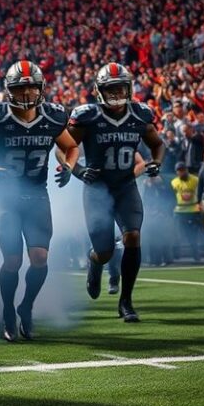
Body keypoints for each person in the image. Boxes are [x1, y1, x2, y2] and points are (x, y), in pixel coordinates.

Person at [0, 60, 79, 342]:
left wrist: (69, 166)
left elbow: (71, 146)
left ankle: (26, 306)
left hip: (37, 194)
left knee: (39, 258)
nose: (26, 93)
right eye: (19, 88)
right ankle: (7, 312)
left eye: (31, 87)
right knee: (12, 260)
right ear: (9, 90)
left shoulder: (51, 116)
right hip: (5, 197)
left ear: (41, 88)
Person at [66, 63, 165, 323]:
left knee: (133, 236)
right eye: (111, 88)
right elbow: (63, 147)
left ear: (129, 87)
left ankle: (126, 301)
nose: (116, 93)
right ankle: (94, 261)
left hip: (125, 187)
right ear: (100, 90)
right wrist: (77, 170)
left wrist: (156, 162)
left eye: (120, 87)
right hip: (97, 189)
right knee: (105, 252)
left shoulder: (140, 114)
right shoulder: (88, 115)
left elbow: (157, 144)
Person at [170, 162, 203, 262]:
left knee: (192, 234)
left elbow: (201, 192)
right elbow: (172, 196)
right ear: (176, 172)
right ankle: (177, 254)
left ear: (187, 170)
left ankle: (196, 253)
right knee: (177, 233)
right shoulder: (174, 182)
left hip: (193, 210)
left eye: (183, 170)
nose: (181, 172)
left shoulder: (195, 180)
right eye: (179, 171)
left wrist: (200, 204)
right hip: (179, 211)